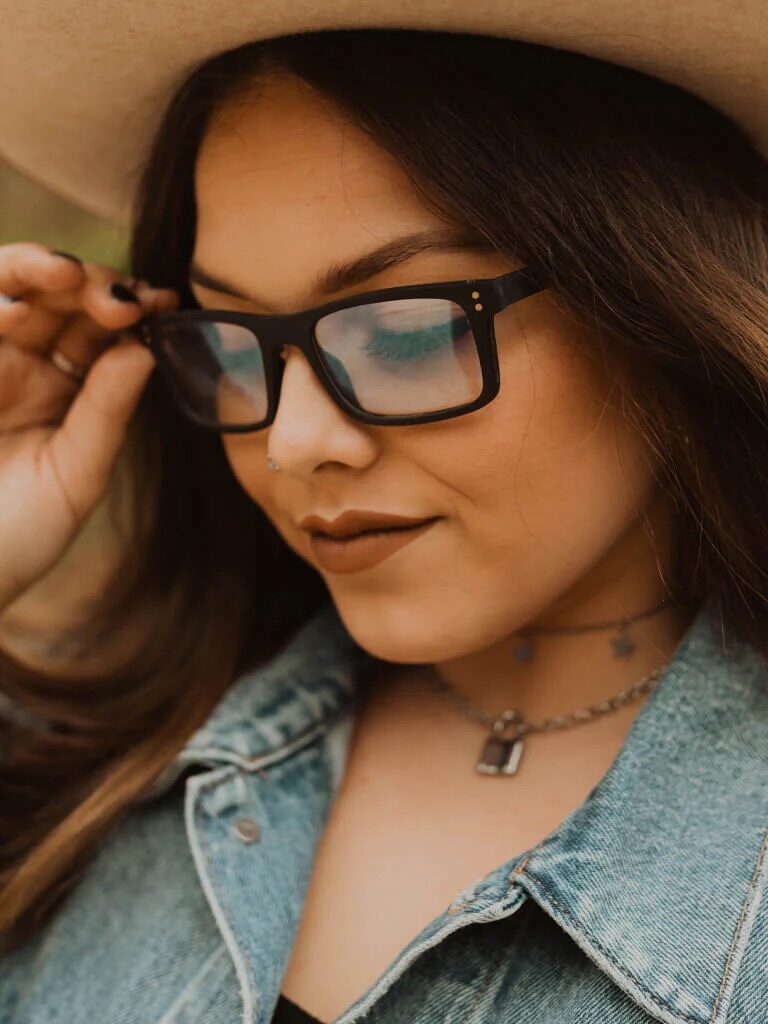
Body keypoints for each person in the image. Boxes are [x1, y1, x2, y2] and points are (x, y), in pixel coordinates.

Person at [0, 8, 767, 1024]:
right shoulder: (81, 771)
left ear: (649, 298)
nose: (293, 441)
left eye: (403, 333)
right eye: (235, 343)